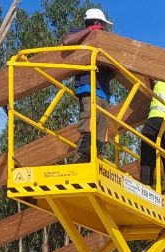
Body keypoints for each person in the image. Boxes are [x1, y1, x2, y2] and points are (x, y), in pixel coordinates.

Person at [62, 8, 115, 163]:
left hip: (104, 95)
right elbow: (66, 41)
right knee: (88, 134)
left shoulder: (102, 46)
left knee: (99, 140)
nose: (104, 28)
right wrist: (91, 30)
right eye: (103, 25)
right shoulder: (81, 34)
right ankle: (77, 167)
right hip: (89, 89)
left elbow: (110, 74)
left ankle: (92, 165)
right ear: (97, 22)